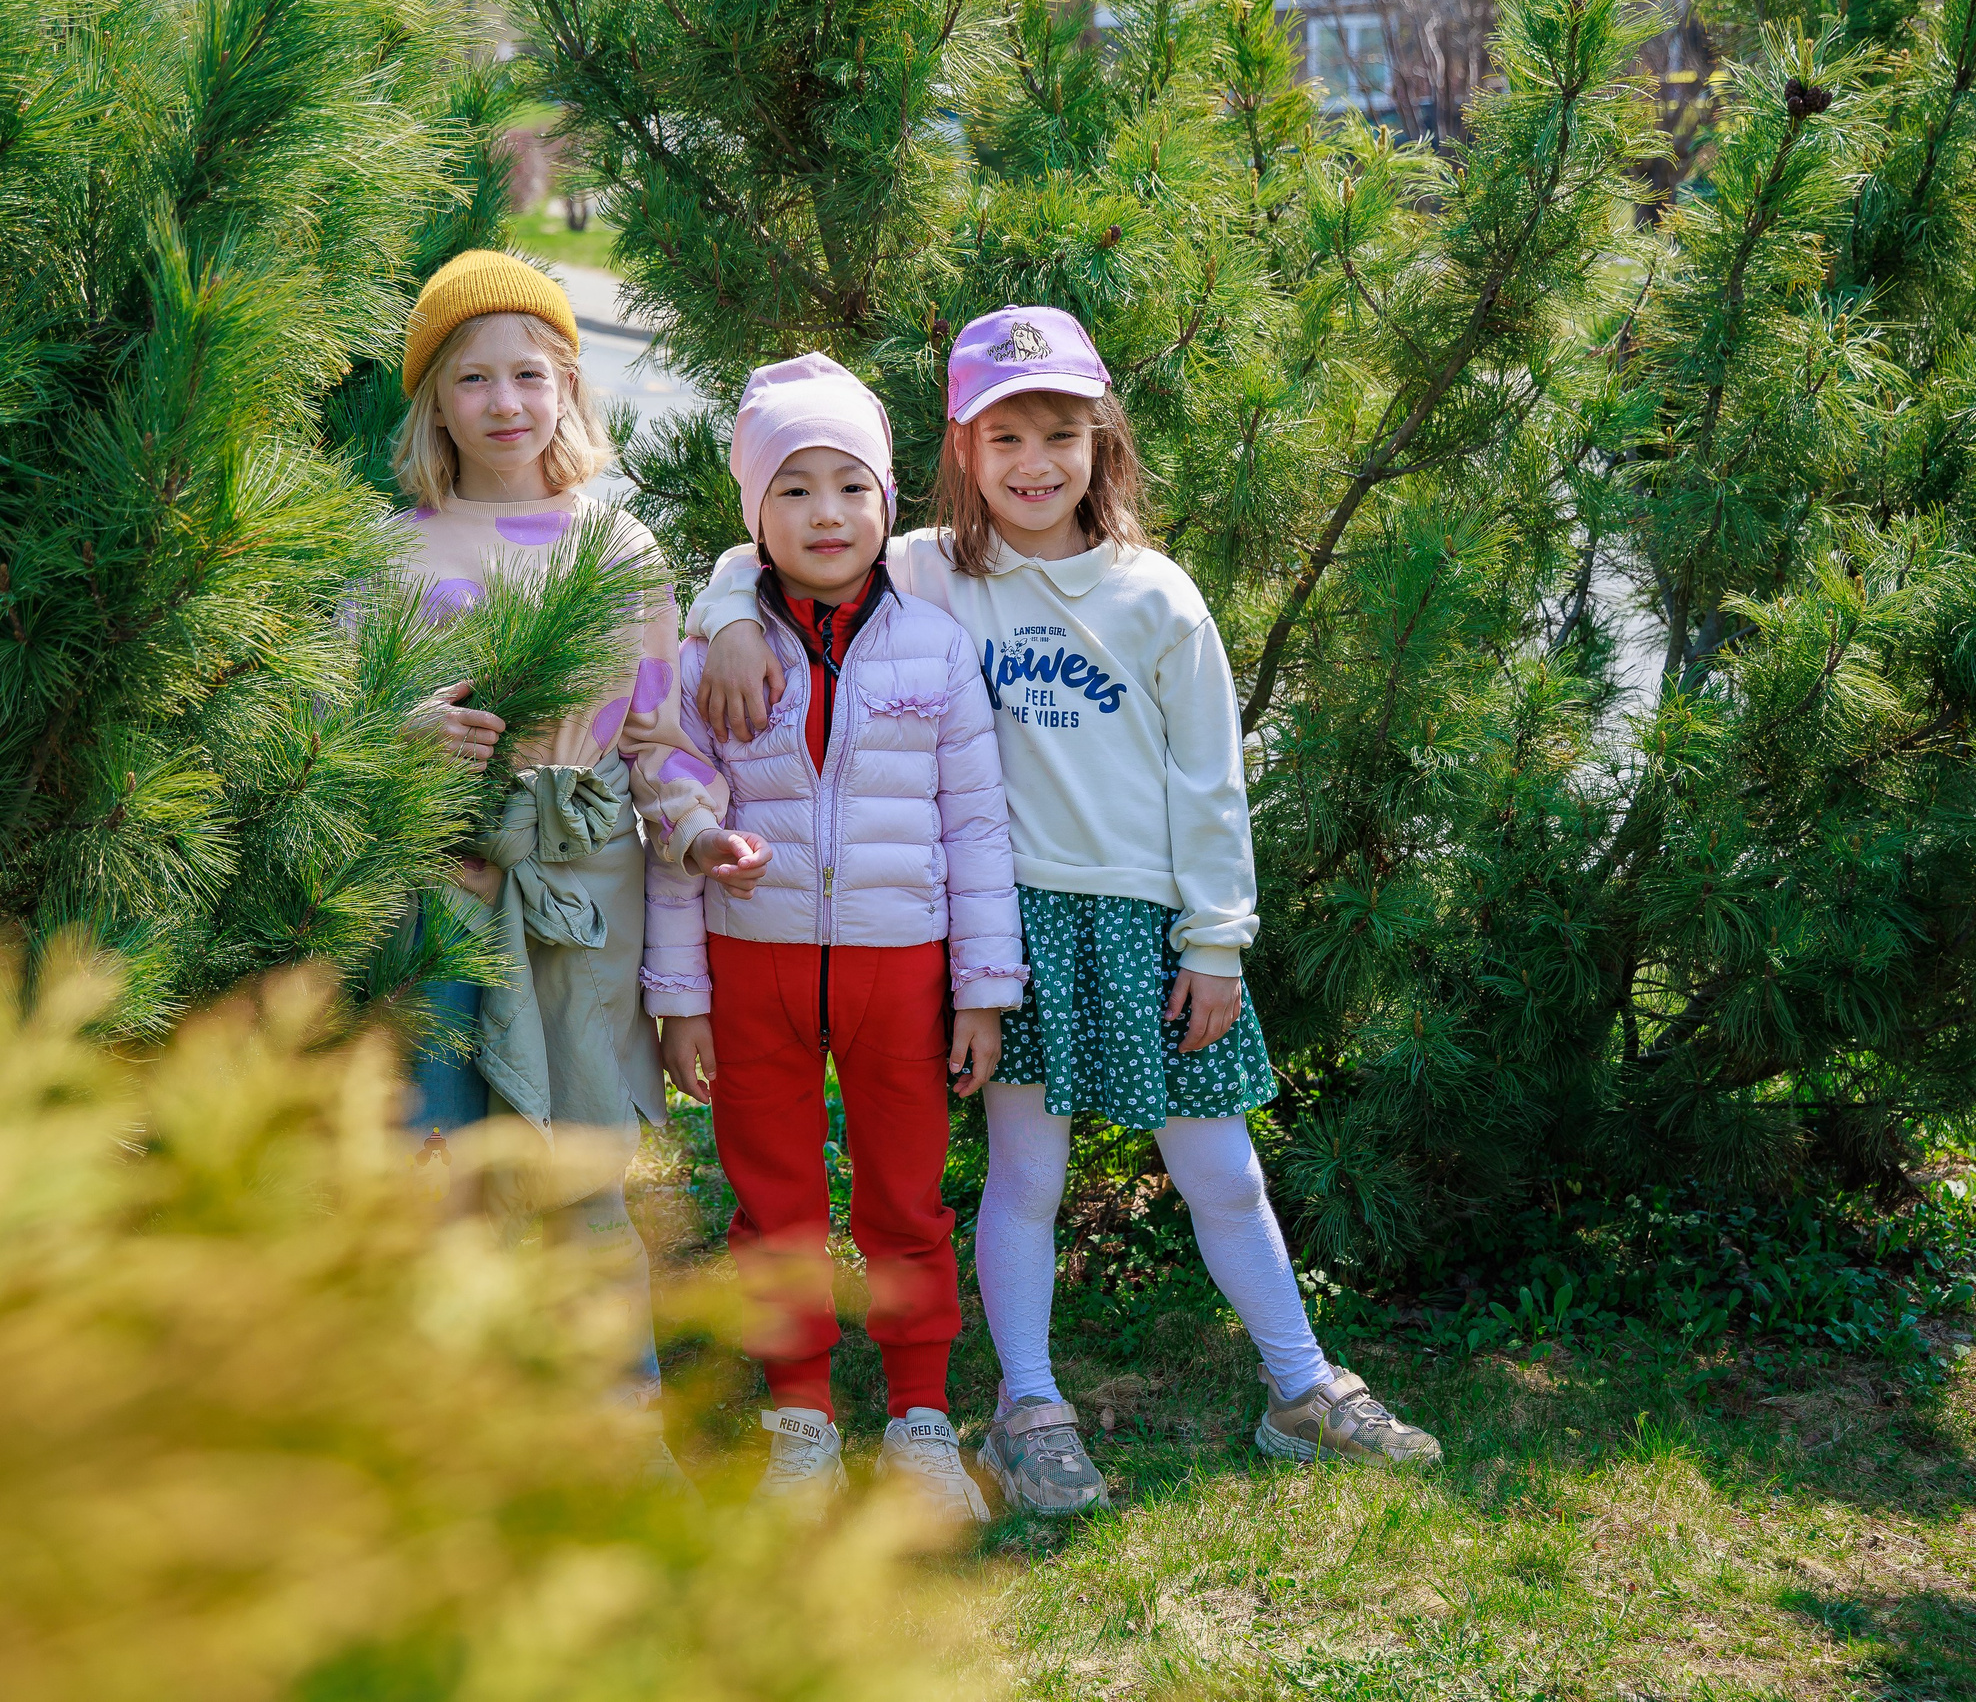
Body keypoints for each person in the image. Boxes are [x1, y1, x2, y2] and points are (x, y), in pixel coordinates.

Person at [685, 307, 1442, 1517]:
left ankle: (1300, 1389)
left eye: (1059, 436)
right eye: (1003, 442)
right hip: (1017, 928)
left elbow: (1210, 782)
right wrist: (726, 614)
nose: (1034, 465)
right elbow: (765, 548)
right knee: (1023, 1177)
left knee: (1221, 1171)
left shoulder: (1155, 596)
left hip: (1149, 931)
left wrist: (1215, 941)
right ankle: (1027, 1410)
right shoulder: (927, 564)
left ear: (1102, 444)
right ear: (962, 455)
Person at [642, 353, 1024, 1524]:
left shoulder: (936, 645)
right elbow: (671, 812)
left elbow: (975, 825)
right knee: (776, 1205)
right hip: (749, 965)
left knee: (907, 1201)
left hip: (898, 968)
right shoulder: (711, 653)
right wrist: (681, 996)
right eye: (794, 489)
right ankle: (799, 1422)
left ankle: (919, 1422)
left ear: (889, 504)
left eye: (851, 486)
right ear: (754, 516)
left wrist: (981, 989)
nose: (826, 514)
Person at [383, 251, 726, 1448]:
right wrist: (405, 731)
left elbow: (660, 736)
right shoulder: (396, 555)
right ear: (433, 404)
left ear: (570, 385)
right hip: (443, 898)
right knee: (442, 1165)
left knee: (585, 1174)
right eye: (471, 378)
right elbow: (334, 727)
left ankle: (619, 1422)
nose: (505, 401)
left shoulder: (618, 546)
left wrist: (697, 826)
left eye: (531, 372)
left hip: (583, 905)